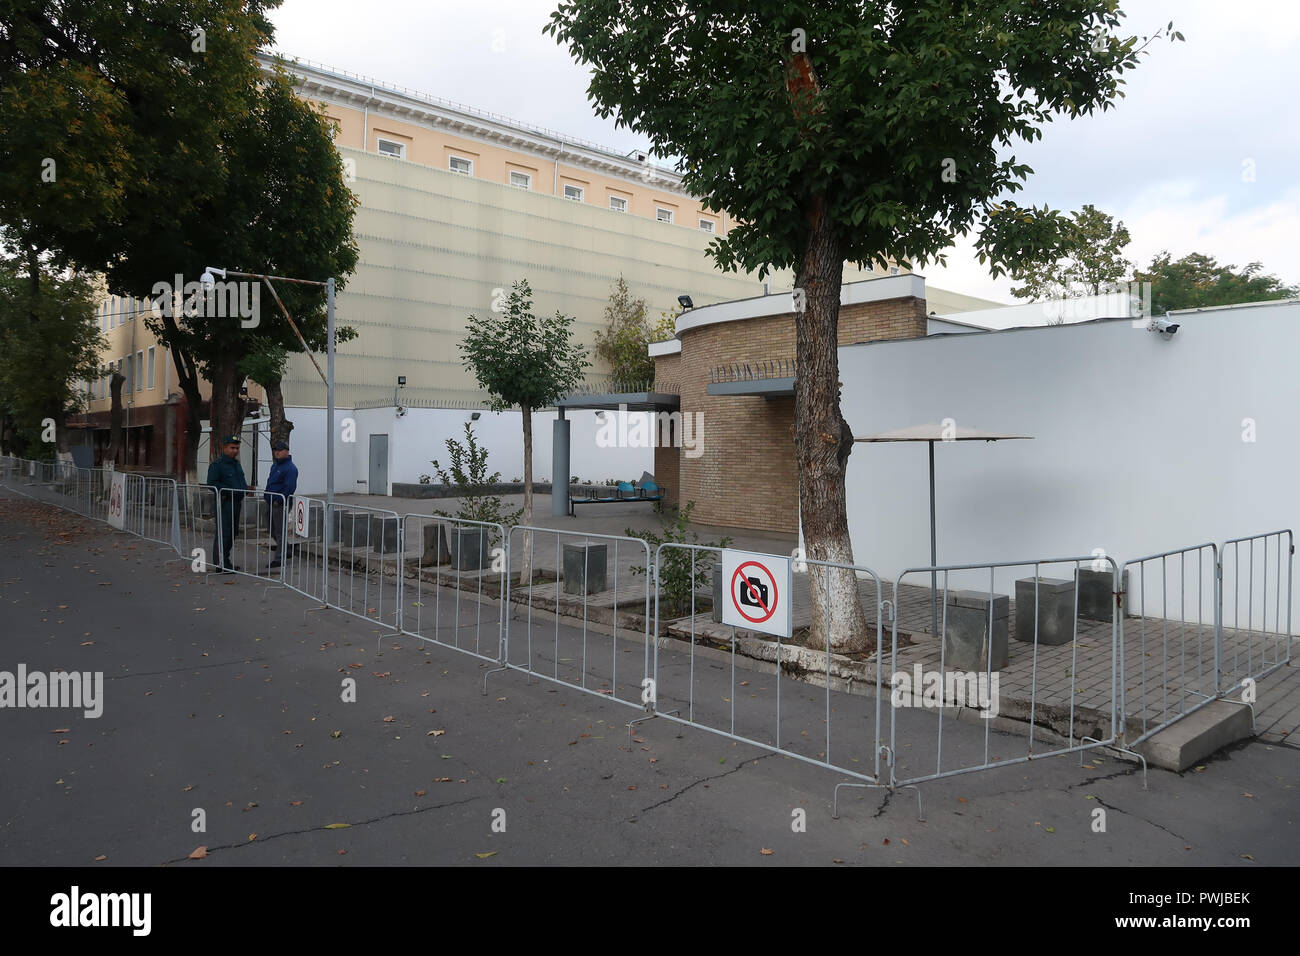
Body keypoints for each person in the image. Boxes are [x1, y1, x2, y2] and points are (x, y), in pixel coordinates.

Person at [206, 434, 248, 573]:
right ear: (225, 448)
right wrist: (227, 491)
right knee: (224, 533)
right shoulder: (217, 465)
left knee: (232, 533)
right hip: (225, 503)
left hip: (236, 503)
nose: (235, 450)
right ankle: (220, 564)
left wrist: (244, 490)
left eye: (237, 448)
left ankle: (226, 561)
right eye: (232, 448)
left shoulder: (236, 464)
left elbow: (241, 482)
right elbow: (212, 484)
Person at [265, 440, 299, 569]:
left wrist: (279, 500)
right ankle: (288, 549)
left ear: (287, 451)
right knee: (270, 529)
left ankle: (279, 558)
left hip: (280, 503)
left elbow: (289, 487)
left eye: (279, 450)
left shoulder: (290, 468)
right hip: (270, 501)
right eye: (275, 450)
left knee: (279, 531)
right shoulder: (275, 466)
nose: (277, 452)